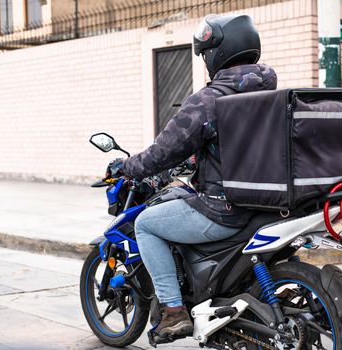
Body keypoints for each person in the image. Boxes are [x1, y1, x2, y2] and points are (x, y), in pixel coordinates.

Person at [107, 14, 277, 337]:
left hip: (223, 209)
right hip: (262, 202)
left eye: (207, 54)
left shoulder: (208, 100)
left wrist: (128, 167)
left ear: (219, 54)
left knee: (145, 224)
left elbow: (164, 150)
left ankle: (173, 310)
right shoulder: (268, 89)